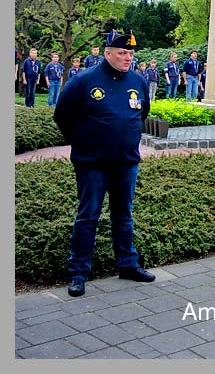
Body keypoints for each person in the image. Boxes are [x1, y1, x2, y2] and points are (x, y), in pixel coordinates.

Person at [53, 29, 154, 298]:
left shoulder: (138, 81)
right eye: (122, 53)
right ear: (107, 53)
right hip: (92, 164)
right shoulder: (84, 81)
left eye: (130, 53)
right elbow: (62, 114)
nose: (127, 58)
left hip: (126, 163)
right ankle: (78, 272)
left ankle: (128, 264)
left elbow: (142, 113)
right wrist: (83, 141)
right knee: (88, 216)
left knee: (124, 215)